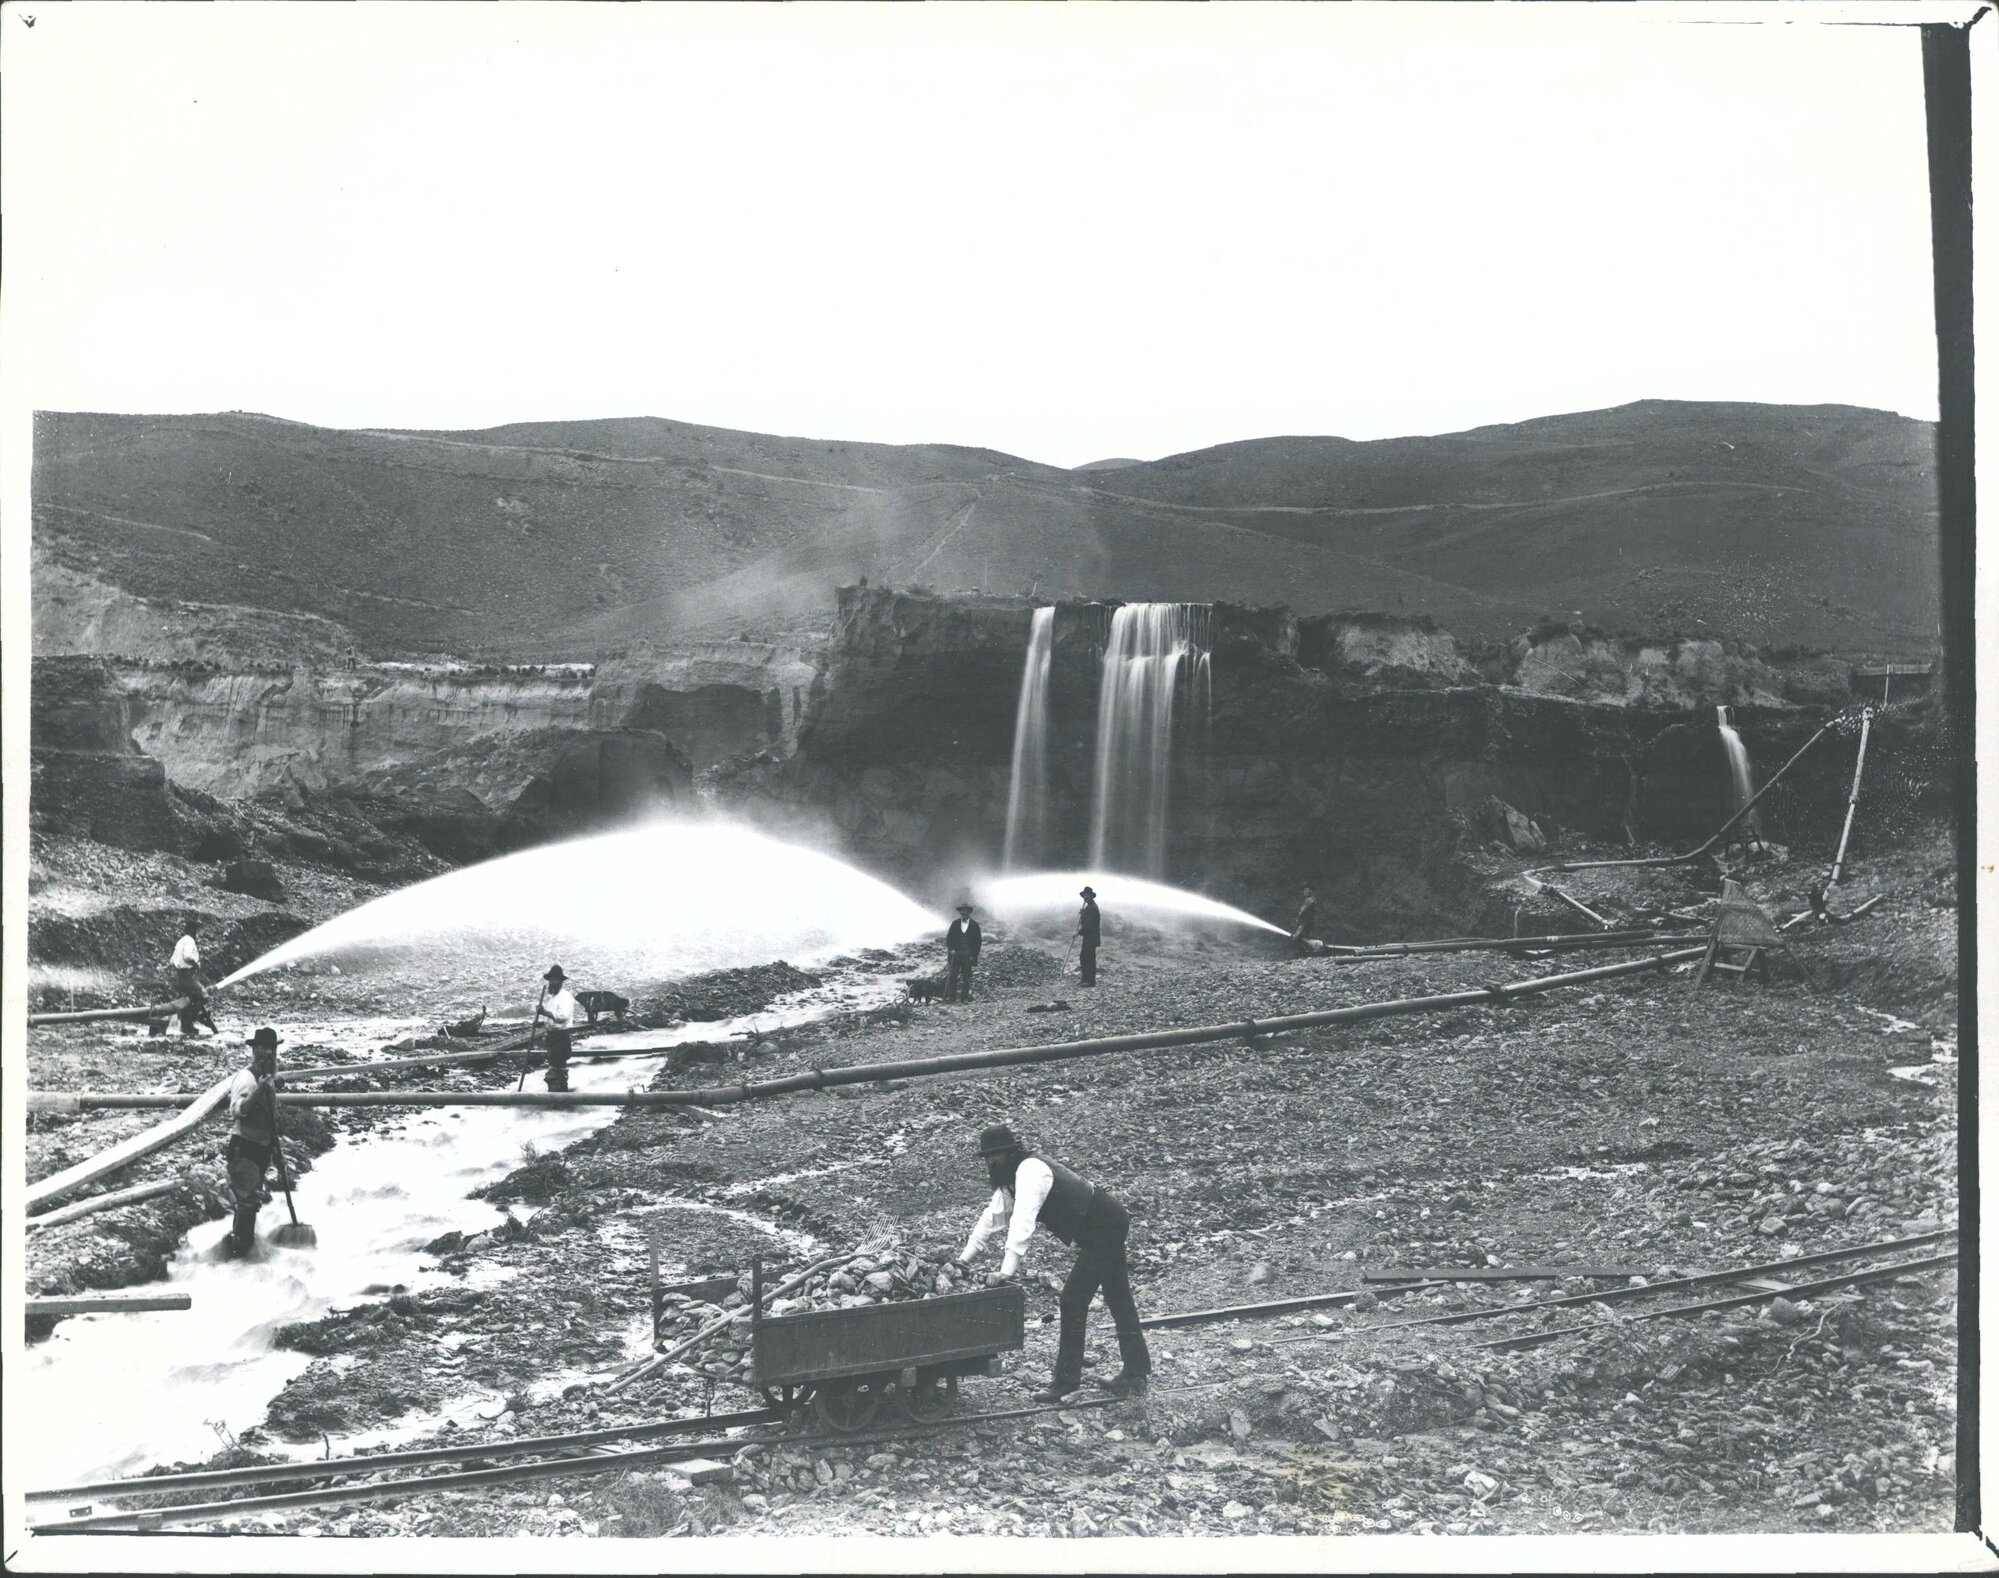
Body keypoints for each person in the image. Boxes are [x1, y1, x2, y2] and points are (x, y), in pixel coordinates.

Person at [958, 1124, 1151, 1402]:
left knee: (1073, 1299)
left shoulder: (1030, 1171)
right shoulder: (1009, 1181)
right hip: (1101, 1227)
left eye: (995, 1155)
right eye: (987, 1157)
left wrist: (1005, 1270)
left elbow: (1023, 1221)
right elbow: (989, 1220)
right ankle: (1135, 1374)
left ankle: (1066, 1383)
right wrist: (961, 1261)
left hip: (1106, 1225)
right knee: (1117, 1296)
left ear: (1011, 1152)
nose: (991, 1162)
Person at [223, 1028, 281, 1256]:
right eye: (264, 1047)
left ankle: (241, 1250)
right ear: (254, 1049)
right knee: (247, 1203)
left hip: (261, 1148)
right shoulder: (246, 1079)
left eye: (272, 1048)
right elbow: (238, 1111)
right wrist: (259, 1090)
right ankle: (240, 1253)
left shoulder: (267, 1075)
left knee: (251, 1201)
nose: (268, 1052)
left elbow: (269, 1112)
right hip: (244, 1148)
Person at [169, 919, 219, 1037]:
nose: (196, 934)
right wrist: (196, 964)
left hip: (180, 976)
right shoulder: (190, 941)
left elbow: (171, 961)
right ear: (192, 931)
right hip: (187, 976)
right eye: (195, 931)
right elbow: (187, 956)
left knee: (191, 999)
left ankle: (189, 1020)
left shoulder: (180, 941)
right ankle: (188, 1022)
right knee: (204, 996)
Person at [534, 964, 578, 1093]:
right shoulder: (553, 998)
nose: (552, 982)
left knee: (558, 1069)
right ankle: (556, 1096)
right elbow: (551, 1018)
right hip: (553, 1037)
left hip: (561, 1037)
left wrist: (544, 1013)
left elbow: (562, 1017)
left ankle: (559, 1096)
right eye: (551, 980)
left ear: (560, 981)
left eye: (555, 980)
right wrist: (542, 1021)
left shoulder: (565, 996)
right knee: (554, 1066)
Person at [946, 902, 983, 1003]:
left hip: (968, 955)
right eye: (962, 911)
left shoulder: (975, 925)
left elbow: (978, 942)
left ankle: (964, 997)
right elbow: (949, 938)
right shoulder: (955, 923)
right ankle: (951, 996)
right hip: (956, 954)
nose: (964, 912)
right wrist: (952, 949)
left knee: (966, 977)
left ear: (969, 912)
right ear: (960, 912)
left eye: (966, 911)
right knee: (953, 976)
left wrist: (973, 955)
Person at [1076, 886, 1101, 987]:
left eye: (1088, 895)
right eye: (1085, 895)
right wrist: (1082, 914)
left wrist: (1078, 933)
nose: (1085, 897)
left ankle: (1090, 981)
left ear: (1091, 896)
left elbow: (1089, 925)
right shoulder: (1088, 907)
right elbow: (1084, 921)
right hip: (1088, 937)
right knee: (1084, 957)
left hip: (1091, 937)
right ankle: (1085, 979)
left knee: (1088, 958)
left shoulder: (1093, 907)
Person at [1291, 885, 1319, 954]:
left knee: (1296, 938)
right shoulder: (1312, 899)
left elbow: (1302, 911)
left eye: (1307, 890)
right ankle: (1309, 951)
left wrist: (1298, 918)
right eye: (1304, 890)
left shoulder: (1309, 900)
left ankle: (1305, 952)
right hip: (1308, 923)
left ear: (1311, 891)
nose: (1305, 892)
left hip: (1305, 923)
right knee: (1302, 938)